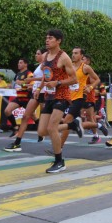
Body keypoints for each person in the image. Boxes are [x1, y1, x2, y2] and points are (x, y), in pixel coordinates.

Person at [38, 29, 77, 174]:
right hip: (49, 96)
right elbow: (46, 74)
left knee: (51, 128)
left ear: (58, 40)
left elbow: (74, 79)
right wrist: (39, 88)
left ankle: (59, 161)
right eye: (46, 38)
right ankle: (72, 124)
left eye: (51, 38)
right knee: (42, 130)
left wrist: (57, 83)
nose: (47, 40)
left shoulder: (64, 57)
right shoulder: (45, 56)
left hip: (62, 96)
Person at [4, 49, 46, 152]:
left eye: (38, 54)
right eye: (36, 53)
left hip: (44, 94)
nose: (36, 55)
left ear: (45, 55)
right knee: (25, 117)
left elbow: (48, 79)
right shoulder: (38, 66)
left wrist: (30, 81)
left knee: (48, 121)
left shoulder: (45, 65)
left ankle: (71, 124)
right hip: (35, 94)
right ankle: (17, 142)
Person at [2, 58, 33, 134]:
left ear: (26, 64)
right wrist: (8, 86)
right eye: (18, 63)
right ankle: (15, 127)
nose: (18, 64)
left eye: (21, 63)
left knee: (33, 116)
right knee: (7, 111)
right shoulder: (18, 74)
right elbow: (14, 84)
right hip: (19, 98)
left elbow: (32, 85)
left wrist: (22, 84)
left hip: (27, 98)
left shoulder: (29, 73)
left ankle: (41, 131)